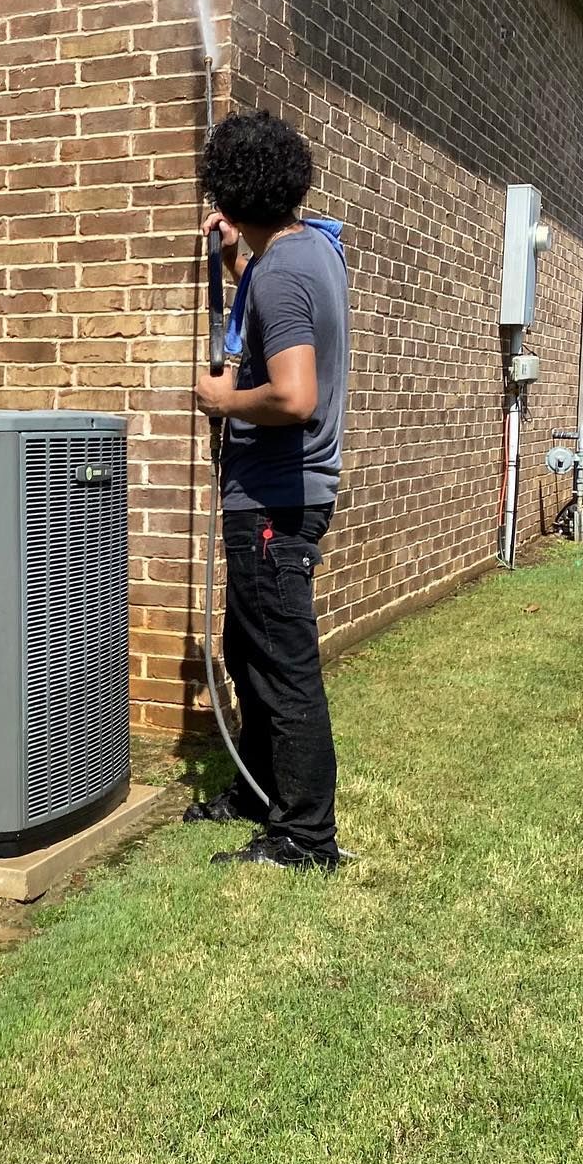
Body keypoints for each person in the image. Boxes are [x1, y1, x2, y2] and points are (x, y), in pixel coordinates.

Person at [187, 110, 349, 871]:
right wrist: (234, 261)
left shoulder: (280, 273)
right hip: (276, 495)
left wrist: (224, 401)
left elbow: (293, 395)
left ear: (227, 192)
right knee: (247, 649)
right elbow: (278, 316)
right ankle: (259, 793)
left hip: (276, 500)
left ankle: (306, 839)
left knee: (283, 666)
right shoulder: (307, 250)